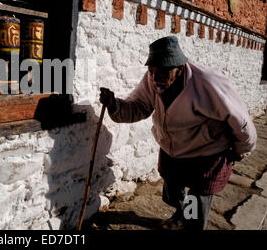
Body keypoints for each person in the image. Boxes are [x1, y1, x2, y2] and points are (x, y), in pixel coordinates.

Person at [99, 36, 257, 230]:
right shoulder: (152, 79)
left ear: (180, 68)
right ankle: (181, 214)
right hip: (172, 150)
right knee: (172, 195)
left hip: (207, 153)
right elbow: (138, 107)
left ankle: (188, 224)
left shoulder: (207, 82)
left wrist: (240, 151)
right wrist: (114, 105)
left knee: (196, 204)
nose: (156, 78)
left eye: (163, 73)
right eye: (152, 71)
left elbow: (241, 121)